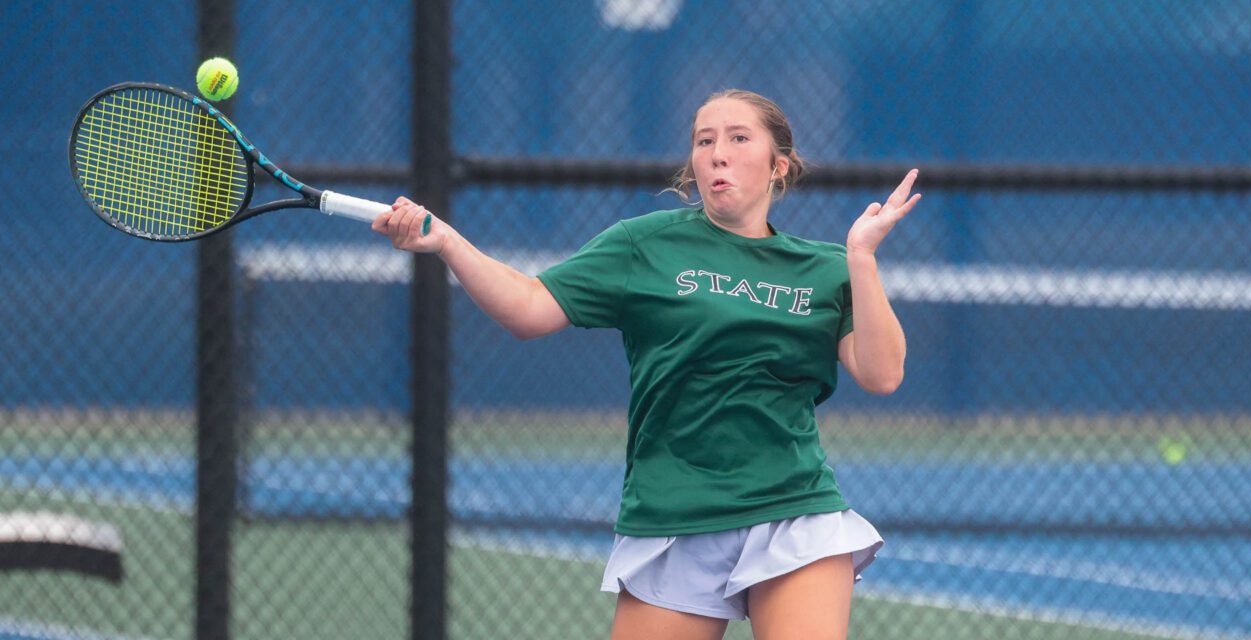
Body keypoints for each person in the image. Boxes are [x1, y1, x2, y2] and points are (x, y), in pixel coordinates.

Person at [374, 89, 920, 640]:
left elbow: (882, 374)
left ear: (779, 165)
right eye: (704, 141)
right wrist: (446, 241)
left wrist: (862, 258)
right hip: (672, 514)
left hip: (793, 509)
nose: (717, 154)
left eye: (737, 138)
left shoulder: (828, 268)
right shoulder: (643, 245)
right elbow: (528, 307)